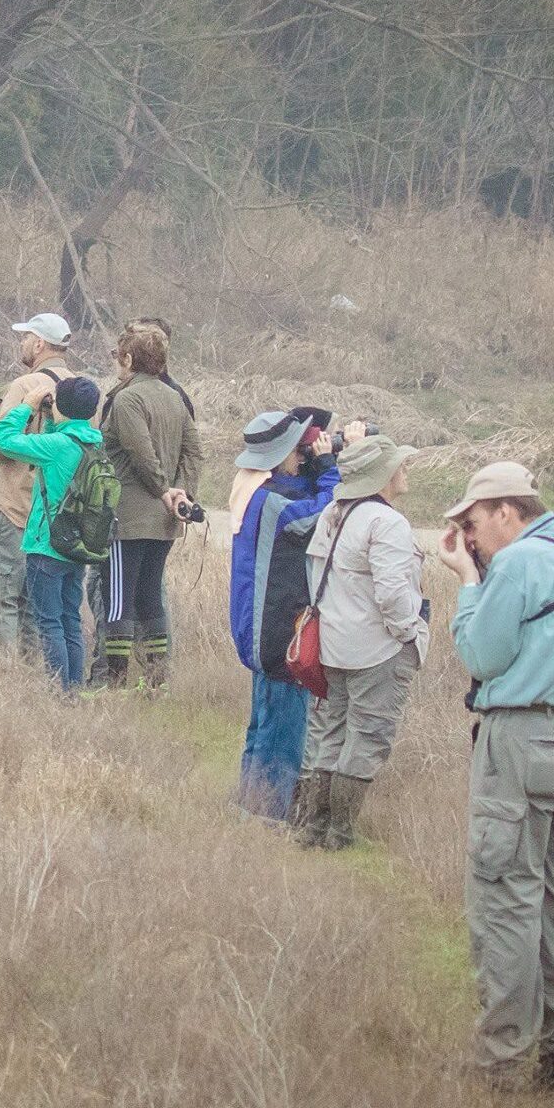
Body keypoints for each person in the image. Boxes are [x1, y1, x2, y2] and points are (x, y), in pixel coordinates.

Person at [434, 461, 554, 1092]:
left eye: (473, 523)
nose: (470, 538)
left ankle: (503, 1062)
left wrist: (468, 582)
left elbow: (482, 655)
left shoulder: (514, 565)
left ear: (506, 512)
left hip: (523, 741)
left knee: (506, 902)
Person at [226, 411, 366, 821]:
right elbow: (322, 514)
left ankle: (250, 807)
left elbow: (301, 494)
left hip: (260, 627)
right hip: (276, 632)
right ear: (279, 456)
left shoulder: (252, 488)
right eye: (297, 451)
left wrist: (321, 462)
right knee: (283, 730)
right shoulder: (271, 503)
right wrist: (329, 466)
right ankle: (268, 816)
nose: (301, 457)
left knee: (263, 724)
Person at [293, 435, 427, 850]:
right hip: (377, 649)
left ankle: (313, 829)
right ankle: (340, 834)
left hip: (333, 646)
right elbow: (392, 593)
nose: (405, 470)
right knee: (368, 736)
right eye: (399, 464)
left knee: (331, 734)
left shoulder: (333, 512)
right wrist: (409, 633)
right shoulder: (387, 522)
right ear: (382, 474)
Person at [94, 322, 203, 689]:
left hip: (127, 518)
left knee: (118, 600)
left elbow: (140, 452)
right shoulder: (175, 397)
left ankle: (115, 683)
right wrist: (183, 494)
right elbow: (193, 452)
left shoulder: (127, 399)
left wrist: (164, 490)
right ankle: (156, 681)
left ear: (128, 358)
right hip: (164, 521)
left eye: (118, 355)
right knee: (149, 597)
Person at [0, 376, 106, 690]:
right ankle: (73, 689)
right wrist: (53, 420)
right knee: (70, 620)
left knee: (49, 623)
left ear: (60, 408)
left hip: (46, 546)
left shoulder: (56, 447)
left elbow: (3, 439)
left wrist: (26, 407)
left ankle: (58, 691)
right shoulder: (95, 444)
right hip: (77, 547)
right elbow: (61, 443)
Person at [0, 312, 76, 654]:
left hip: (16, 510)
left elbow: (2, 442)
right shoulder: (82, 390)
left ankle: (0, 671)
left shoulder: (25, 386)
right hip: (58, 518)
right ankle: (38, 674)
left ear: (39, 343)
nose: (22, 343)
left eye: (26, 337)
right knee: (39, 608)